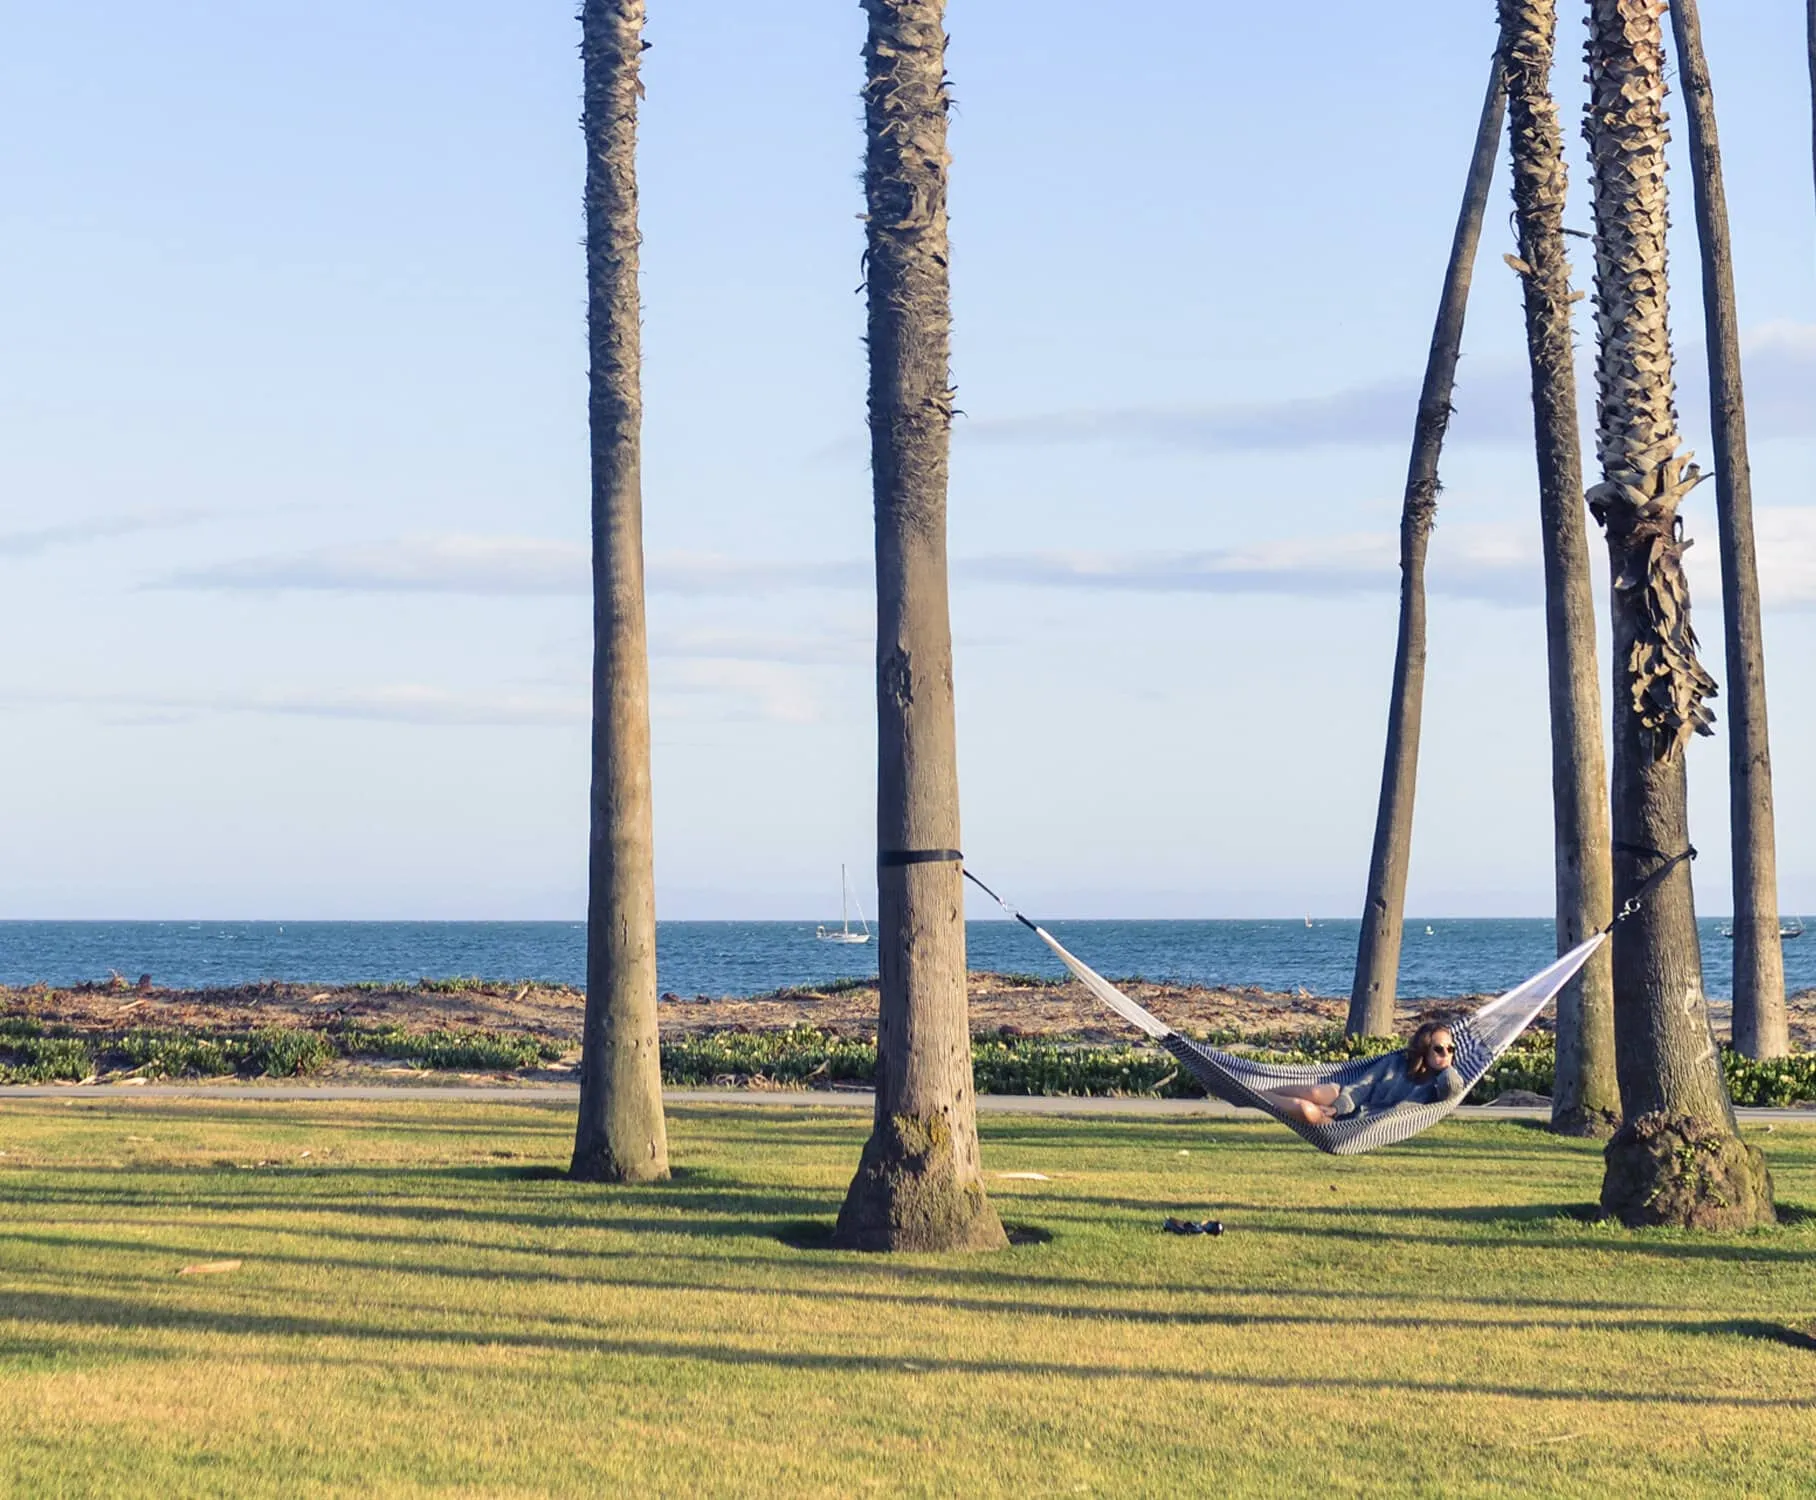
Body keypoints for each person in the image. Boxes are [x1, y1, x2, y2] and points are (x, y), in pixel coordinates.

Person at [1263, 1020, 1465, 1127]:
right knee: (1315, 1093)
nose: (1446, 1053)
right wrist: (1337, 1107)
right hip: (1347, 1100)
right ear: (1424, 1048)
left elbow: (1453, 1088)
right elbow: (1362, 1086)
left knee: (1306, 1110)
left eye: (1451, 1048)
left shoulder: (1437, 1086)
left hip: (1354, 1125)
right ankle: (1257, 1092)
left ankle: (1259, 1098)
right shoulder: (1397, 1062)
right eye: (1439, 1048)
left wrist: (1445, 1066)